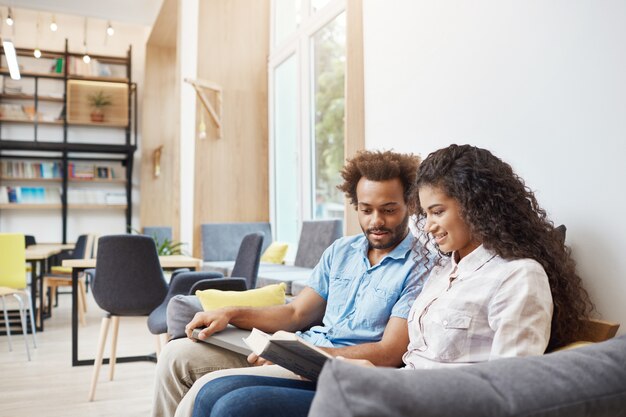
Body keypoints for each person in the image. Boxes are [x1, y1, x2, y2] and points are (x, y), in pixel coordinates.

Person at [190, 144, 594, 417]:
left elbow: (514, 391)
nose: (429, 226)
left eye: (437, 212)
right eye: (426, 214)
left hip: (424, 402)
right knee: (212, 393)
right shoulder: (444, 269)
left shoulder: (518, 277)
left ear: (476, 207)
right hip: (390, 384)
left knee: (236, 406)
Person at [152, 150, 431, 417]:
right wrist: (231, 313)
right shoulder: (341, 251)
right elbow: (296, 313)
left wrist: (302, 356)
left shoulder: (421, 266)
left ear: (411, 204)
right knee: (175, 354)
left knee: (205, 389)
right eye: (366, 210)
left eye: (389, 210)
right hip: (302, 349)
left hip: (333, 366)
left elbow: (389, 353)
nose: (376, 221)